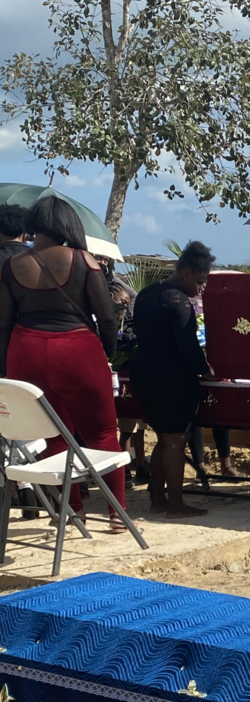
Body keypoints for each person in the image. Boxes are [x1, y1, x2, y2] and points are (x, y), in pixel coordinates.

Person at [0, 198, 126, 530]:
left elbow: (3, 322)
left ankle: (74, 511)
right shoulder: (83, 261)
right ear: (68, 225)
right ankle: (117, 514)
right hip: (77, 350)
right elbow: (107, 318)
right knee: (101, 432)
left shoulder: (11, 266)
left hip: (25, 351)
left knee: (52, 433)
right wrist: (107, 354)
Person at [129, 240, 215, 518]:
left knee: (163, 439)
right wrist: (204, 369)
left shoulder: (145, 294)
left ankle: (157, 499)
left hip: (143, 371)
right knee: (176, 439)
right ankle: (176, 504)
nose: (201, 289)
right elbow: (187, 345)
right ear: (186, 274)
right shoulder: (179, 303)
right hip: (172, 376)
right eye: (200, 282)